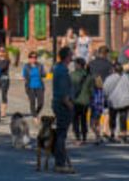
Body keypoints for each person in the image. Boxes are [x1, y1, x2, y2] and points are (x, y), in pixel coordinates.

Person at [52, 46, 76, 174]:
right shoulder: (61, 71)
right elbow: (63, 93)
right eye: (71, 54)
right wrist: (70, 105)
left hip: (61, 104)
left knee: (61, 134)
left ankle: (59, 160)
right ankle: (59, 163)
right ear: (67, 56)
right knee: (61, 135)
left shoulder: (61, 69)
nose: (72, 57)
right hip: (62, 106)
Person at [103, 62, 129, 143]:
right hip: (125, 100)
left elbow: (105, 90)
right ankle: (123, 135)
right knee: (123, 118)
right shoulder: (128, 77)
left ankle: (112, 133)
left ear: (113, 69)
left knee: (112, 117)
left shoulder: (109, 78)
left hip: (113, 101)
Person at [69, 58, 91, 145]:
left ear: (78, 65)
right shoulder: (89, 76)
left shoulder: (72, 75)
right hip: (85, 101)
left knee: (75, 119)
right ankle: (84, 137)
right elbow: (92, 90)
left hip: (75, 101)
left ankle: (78, 137)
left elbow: (69, 88)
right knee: (84, 119)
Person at [22, 51, 46, 118]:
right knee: (32, 102)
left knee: (41, 103)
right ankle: (35, 116)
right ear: (29, 58)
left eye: (35, 57)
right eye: (32, 57)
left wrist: (48, 74)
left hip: (39, 86)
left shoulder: (40, 65)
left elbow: (44, 74)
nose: (33, 59)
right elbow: (24, 76)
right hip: (30, 87)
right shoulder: (26, 66)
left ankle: (36, 113)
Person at [0, 47, 11, 118]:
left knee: (4, 94)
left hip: (4, 79)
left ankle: (3, 111)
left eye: (3, 51)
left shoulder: (7, 60)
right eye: (0, 51)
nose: (1, 53)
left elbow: (1, 68)